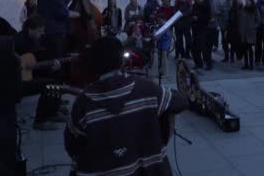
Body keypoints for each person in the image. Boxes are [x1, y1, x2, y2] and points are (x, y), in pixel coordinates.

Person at [64, 37, 188, 175]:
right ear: (122, 61)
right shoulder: (146, 88)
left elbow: (71, 146)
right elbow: (181, 102)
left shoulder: (82, 102)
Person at [15, 16, 68, 130]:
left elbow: (38, 62)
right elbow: (17, 63)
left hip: (31, 74)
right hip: (19, 81)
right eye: (39, 31)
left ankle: (52, 111)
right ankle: (40, 120)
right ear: (30, 30)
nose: (42, 33)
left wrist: (53, 67)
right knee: (48, 85)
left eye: (43, 30)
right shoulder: (19, 41)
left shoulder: (35, 40)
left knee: (57, 76)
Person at [238, 0, 261, 70]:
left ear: (251, 2)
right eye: (246, 1)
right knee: (244, 49)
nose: (246, 2)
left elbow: (258, 21)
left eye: (248, 1)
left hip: (251, 32)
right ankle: (246, 64)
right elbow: (240, 20)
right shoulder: (243, 10)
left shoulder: (255, 10)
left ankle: (251, 64)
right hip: (244, 32)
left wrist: (253, 27)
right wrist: (240, 29)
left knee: (250, 49)